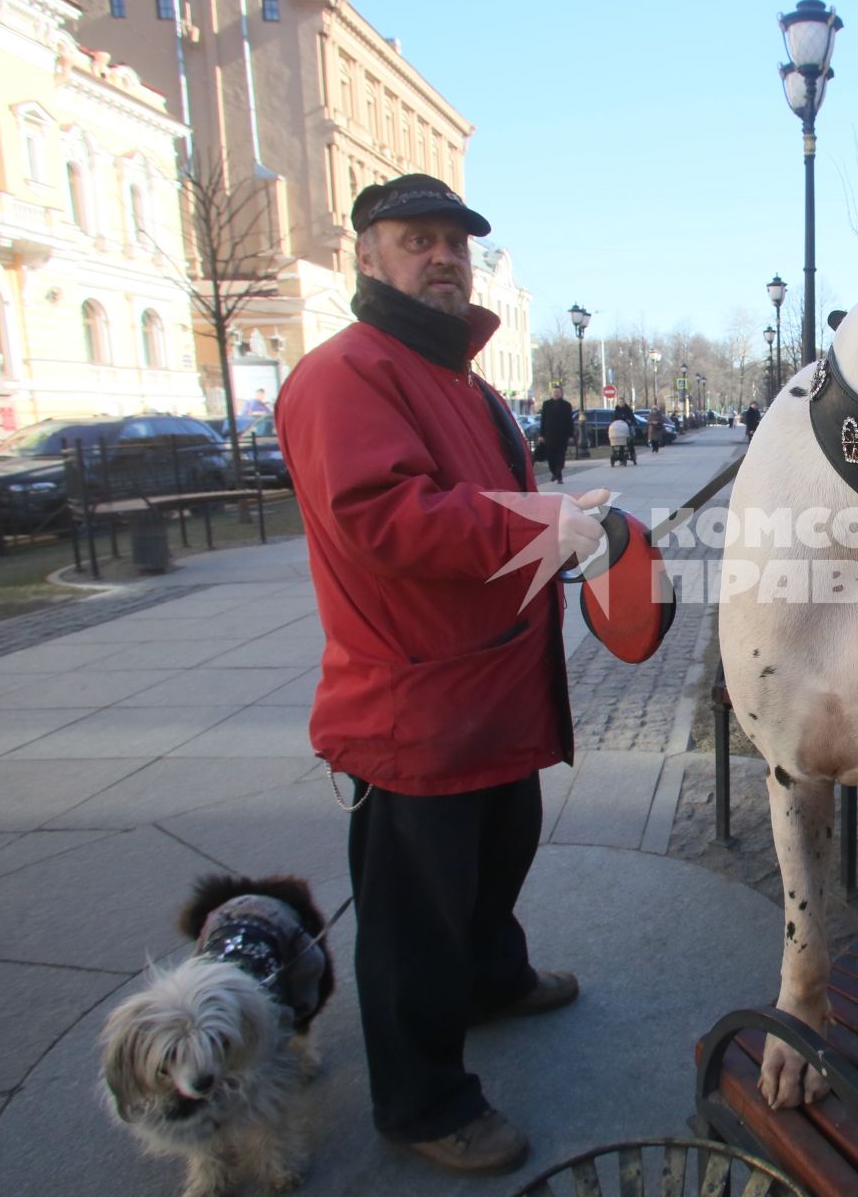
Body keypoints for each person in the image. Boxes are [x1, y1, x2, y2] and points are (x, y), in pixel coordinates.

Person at [275, 173, 608, 1176]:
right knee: (412, 917)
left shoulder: (459, 378)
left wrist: (561, 528)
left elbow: (485, 507)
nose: (441, 257)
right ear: (365, 258)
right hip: (415, 703)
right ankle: (421, 1100)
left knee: (498, 851)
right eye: (415, 240)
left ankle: (492, 975)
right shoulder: (346, 374)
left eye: (454, 243)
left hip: (488, 690)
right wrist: (540, 523)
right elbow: (385, 517)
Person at [538, 382, 573, 484]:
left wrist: (570, 435)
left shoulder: (566, 405)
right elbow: (543, 420)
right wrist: (541, 435)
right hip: (549, 435)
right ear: (551, 393)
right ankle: (554, 472)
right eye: (554, 392)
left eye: (558, 392)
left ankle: (559, 474)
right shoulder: (546, 404)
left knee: (560, 456)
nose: (556, 394)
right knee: (550, 456)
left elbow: (569, 421)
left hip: (562, 435)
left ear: (561, 393)